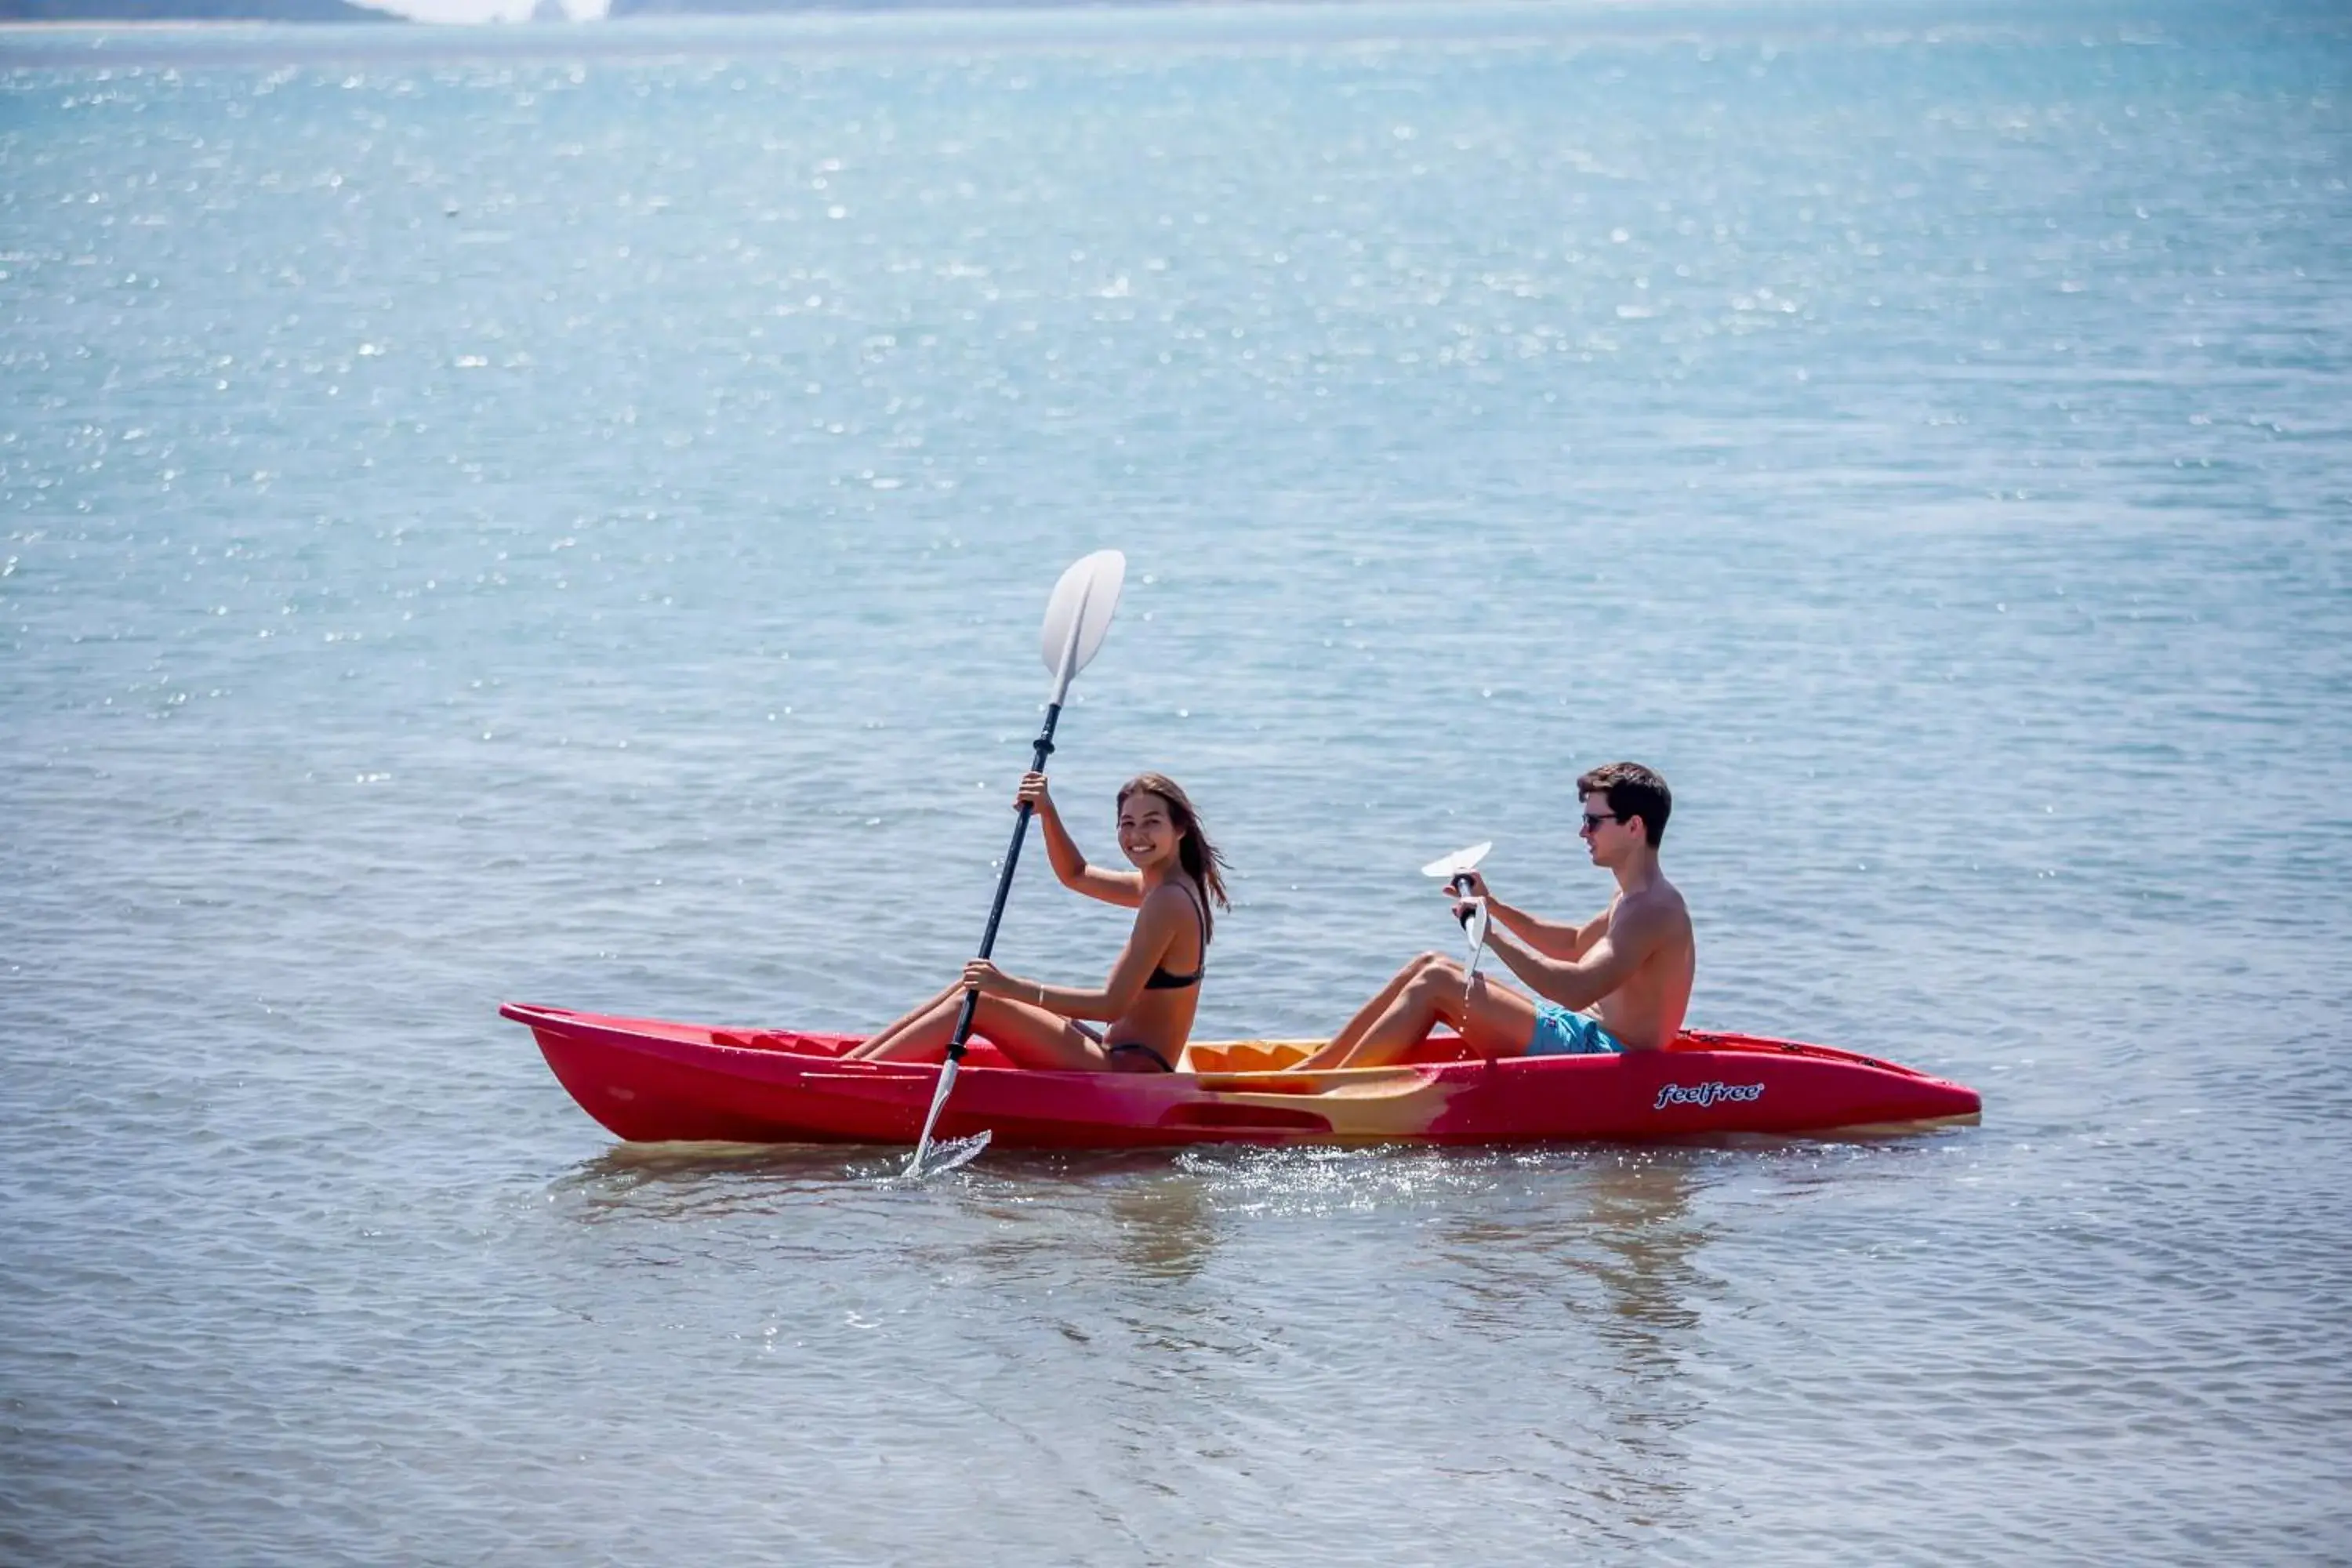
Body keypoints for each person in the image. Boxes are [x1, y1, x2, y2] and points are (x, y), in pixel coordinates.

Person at [1296, 761, 1694, 1070]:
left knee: (1437, 981)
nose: (1582, 832)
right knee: (1429, 964)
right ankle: (1317, 1070)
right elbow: (1573, 945)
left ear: (1634, 827)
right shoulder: (1631, 894)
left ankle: (1331, 1095)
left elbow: (1576, 990)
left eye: (1593, 821)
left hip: (1608, 1053)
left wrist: (1491, 936)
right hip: (1580, 1031)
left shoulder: (1653, 909)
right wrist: (1494, 905)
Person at [849, 771, 1229, 1073]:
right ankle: (852, 1064)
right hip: (1116, 1052)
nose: (1136, 836)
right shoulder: (1160, 885)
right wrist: (1047, 811)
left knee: (984, 1001)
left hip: (1129, 1070)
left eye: (1152, 822)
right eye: (1127, 823)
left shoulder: (1167, 901)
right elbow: (1076, 874)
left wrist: (1012, 986)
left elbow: (1111, 1005)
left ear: (1179, 829)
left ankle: (851, 1077)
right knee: (973, 988)